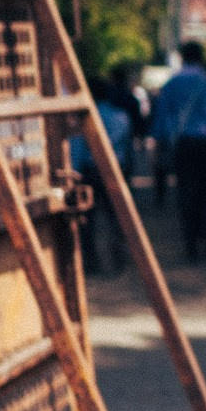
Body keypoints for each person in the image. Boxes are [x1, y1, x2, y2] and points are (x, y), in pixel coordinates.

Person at [151, 41, 206, 262]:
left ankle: (191, 245)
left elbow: (162, 120)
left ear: (183, 58)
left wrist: (159, 146)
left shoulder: (172, 84)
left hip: (183, 144)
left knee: (186, 192)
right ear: (202, 57)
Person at [71, 74, 136, 276]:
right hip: (117, 169)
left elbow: (78, 149)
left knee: (88, 219)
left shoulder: (84, 119)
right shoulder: (121, 116)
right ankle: (119, 259)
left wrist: (76, 172)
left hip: (90, 171)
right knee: (116, 216)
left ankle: (91, 262)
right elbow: (127, 147)